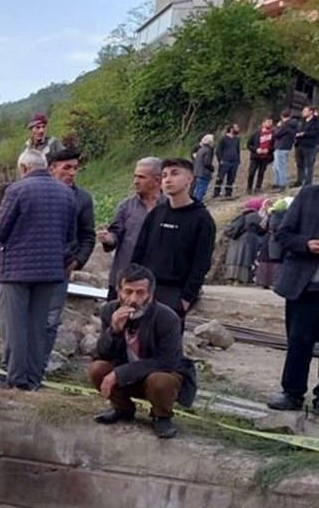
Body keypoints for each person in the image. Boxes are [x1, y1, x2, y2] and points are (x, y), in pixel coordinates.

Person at [0, 149, 77, 391]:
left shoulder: (16, 190)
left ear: (24, 168)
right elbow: (71, 236)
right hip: (50, 270)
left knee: (14, 327)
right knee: (39, 327)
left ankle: (16, 379)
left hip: (16, 269)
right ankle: (34, 378)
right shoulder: (67, 194)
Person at [88, 264, 197, 440]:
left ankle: (161, 416)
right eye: (128, 292)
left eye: (140, 293)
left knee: (160, 381)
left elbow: (167, 361)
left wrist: (119, 374)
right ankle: (122, 409)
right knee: (97, 369)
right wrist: (114, 331)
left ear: (150, 294)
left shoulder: (167, 318)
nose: (133, 299)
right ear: (119, 291)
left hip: (157, 375)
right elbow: (101, 353)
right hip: (127, 374)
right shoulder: (109, 311)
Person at [131, 157, 217, 327]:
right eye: (164, 175)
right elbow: (139, 251)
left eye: (175, 174)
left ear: (190, 178)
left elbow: (201, 263)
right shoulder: (156, 213)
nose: (168, 179)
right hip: (145, 289)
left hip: (175, 292)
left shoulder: (202, 219)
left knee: (166, 345)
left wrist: (186, 298)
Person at [41, 147, 96, 373]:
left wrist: (77, 262)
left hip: (61, 268)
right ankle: (16, 366)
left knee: (51, 320)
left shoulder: (82, 199)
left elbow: (88, 235)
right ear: (51, 168)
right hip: (31, 267)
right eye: (67, 168)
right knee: (23, 319)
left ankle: (39, 366)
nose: (72, 172)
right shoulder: (38, 192)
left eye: (75, 168)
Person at [266, 186, 319, 411]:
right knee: (299, 342)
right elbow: (283, 233)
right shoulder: (309, 195)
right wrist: (306, 244)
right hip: (305, 286)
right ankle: (292, 393)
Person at [100, 157, 164, 300]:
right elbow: (115, 235)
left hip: (155, 282)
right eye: (135, 176)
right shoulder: (126, 206)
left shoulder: (169, 208)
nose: (135, 181)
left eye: (141, 177)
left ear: (157, 180)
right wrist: (108, 238)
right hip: (124, 280)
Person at [222, 198, 264, 284]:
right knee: (243, 259)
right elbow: (261, 229)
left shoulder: (242, 215)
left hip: (236, 240)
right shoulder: (255, 216)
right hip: (247, 240)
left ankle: (231, 279)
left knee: (235, 259)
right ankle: (240, 280)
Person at [255, 196, 290, 289]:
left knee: (266, 260)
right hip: (276, 240)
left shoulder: (272, 215)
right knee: (277, 261)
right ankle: (275, 282)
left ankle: (264, 282)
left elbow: (263, 227)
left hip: (268, 239)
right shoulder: (283, 216)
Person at [247, 118, 275, 194]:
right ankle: (249, 188)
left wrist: (269, 150)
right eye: (268, 122)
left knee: (261, 173)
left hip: (266, 157)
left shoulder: (273, 134)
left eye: (271, 122)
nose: (270, 124)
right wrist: (256, 149)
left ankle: (258, 187)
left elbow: (274, 146)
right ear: (263, 123)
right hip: (255, 156)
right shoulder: (256, 134)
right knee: (251, 172)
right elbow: (249, 145)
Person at [213, 124, 241, 200]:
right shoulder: (223, 139)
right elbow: (218, 151)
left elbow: (238, 150)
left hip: (234, 162)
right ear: (231, 129)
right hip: (225, 161)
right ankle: (216, 194)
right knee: (220, 178)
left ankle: (228, 193)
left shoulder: (237, 139)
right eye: (236, 128)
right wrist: (220, 160)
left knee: (231, 178)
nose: (238, 129)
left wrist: (238, 160)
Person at [273, 110, 299, 191]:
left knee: (280, 166)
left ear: (282, 116)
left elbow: (276, 134)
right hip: (287, 147)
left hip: (280, 146)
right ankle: (278, 182)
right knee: (277, 166)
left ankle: (282, 184)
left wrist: (278, 126)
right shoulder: (294, 124)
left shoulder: (284, 125)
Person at [295, 106, 318, 187]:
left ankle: (308, 182)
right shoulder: (302, 121)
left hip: (310, 146)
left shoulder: (316, 122)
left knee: (309, 164)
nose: (303, 112)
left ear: (311, 112)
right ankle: (299, 180)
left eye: (305, 111)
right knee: (299, 164)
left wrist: (304, 134)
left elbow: (316, 133)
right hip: (299, 145)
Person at [191, 134, 215, 202]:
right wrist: (212, 168)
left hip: (197, 172)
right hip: (204, 173)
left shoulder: (201, 149)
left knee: (197, 189)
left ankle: (194, 202)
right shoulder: (208, 150)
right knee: (201, 190)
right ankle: (197, 204)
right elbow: (207, 162)